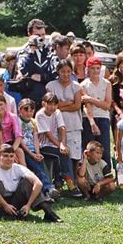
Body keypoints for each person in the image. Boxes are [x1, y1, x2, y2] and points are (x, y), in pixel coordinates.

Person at [0, 144, 61, 222]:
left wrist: (28, 205)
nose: (9, 159)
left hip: (15, 201)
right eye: (5, 156)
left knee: (27, 182)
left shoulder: (18, 168)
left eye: (11, 156)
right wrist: (5, 205)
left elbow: (38, 183)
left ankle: (48, 212)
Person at [48, 60, 84, 193]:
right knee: (60, 154)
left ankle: (73, 183)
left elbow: (77, 105)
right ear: (58, 71)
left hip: (74, 124)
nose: (66, 74)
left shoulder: (76, 86)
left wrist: (60, 105)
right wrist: (67, 103)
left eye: (68, 71)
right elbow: (51, 105)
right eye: (63, 71)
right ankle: (58, 182)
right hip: (56, 125)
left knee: (74, 155)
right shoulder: (51, 86)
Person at [35, 93, 70, 194]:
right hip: (43, 146)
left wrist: (63, 144)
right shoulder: (40, 115)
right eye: (50, 104)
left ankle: (60, 183)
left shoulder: (57, 112)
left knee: (64, 153)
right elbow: (48, 134)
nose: (53, 107)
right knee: (60, 155)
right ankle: (65, 181)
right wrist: (61, 146)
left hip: (55, 144)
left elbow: (62, 128)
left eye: (55, 104)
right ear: (43, 104)